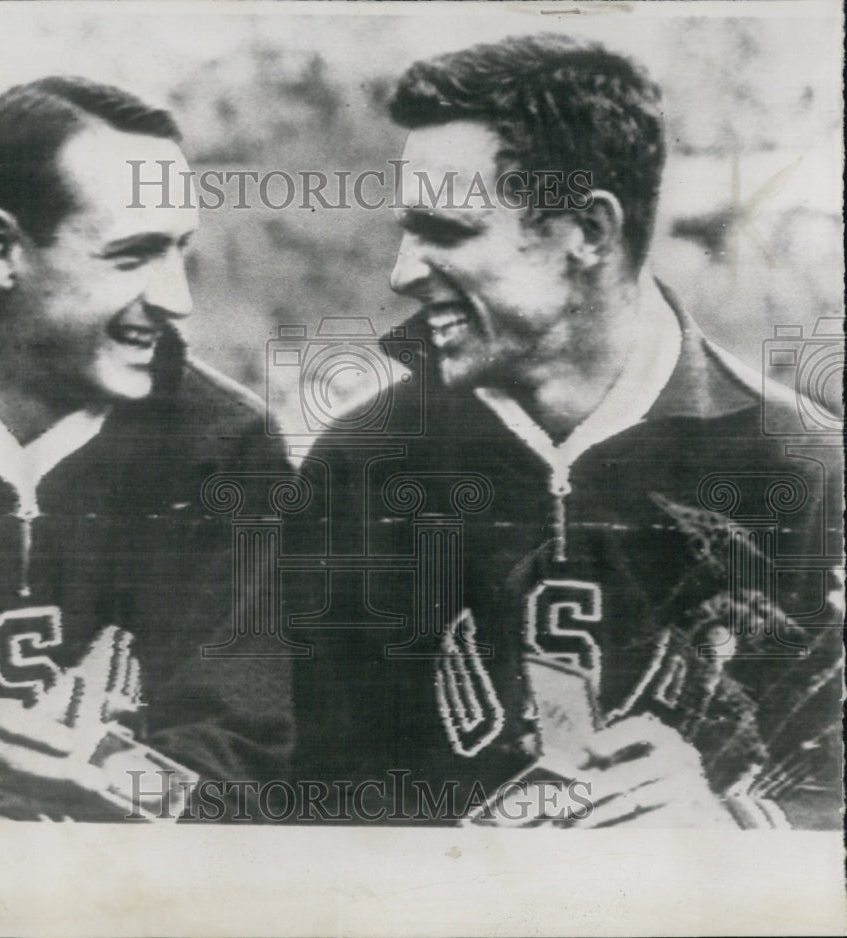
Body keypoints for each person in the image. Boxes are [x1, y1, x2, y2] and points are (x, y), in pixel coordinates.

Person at [288, 35, 843, 828]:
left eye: (446, 231)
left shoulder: (801, 471)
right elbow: (310, 802)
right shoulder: (361, 465)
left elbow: (831, 808)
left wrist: (726, 835)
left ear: (587, 231)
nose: (402, 272)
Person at [0, 77, 293, 820]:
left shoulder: (222, 447)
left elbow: (243, 763)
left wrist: (86, 787)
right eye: (133, 255)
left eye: (181, 251)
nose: (177, 298)